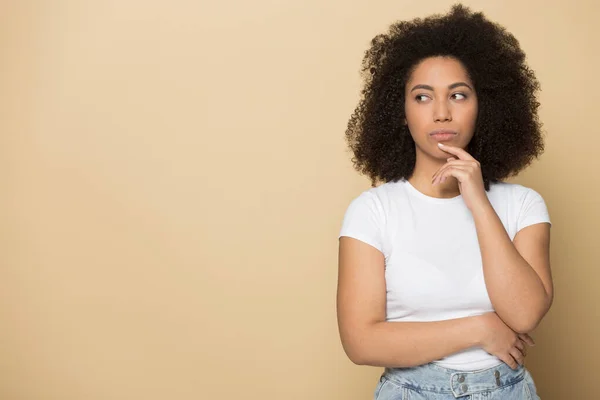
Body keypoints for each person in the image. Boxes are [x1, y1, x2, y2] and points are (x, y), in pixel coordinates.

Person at [337, 4, 552, 399]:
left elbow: (524, 314)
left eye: (458, 95)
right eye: (422, 97)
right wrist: (479, 329)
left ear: (483, 105)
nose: (441, 113)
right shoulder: (373, 211)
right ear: (399, 112)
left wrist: (479, 202)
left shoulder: (523, 205)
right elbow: (360, 342)